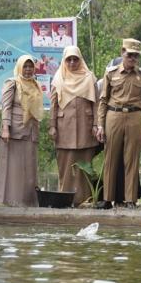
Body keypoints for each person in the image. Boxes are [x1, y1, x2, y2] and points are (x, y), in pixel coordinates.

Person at [96, 38, 141, 209]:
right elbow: (103, 101)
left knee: (132, 159)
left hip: (135, 117)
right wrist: (100, 125)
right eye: (129, 55)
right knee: (110, 158)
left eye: (136, 56)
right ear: (122, 52)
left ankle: (130, 200)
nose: (133, 59)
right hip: (114, 115)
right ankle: (107, 198)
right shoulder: (111, 73)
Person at [49, 46, 98, 206]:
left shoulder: (90, 78)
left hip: (86, 126)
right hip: (64, 127)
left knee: (85, 164)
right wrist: (52, 126)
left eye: (75, 59)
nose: (72, 62)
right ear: (64, 61)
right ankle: (65, 199)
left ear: (80, 59)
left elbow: (96, 104)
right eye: (68, 59)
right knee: (66, 163)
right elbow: (54, 105)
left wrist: (97, 124)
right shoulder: (58, 79)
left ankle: (85, 199)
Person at [0, 55, 42, 207]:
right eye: (25, 67)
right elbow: (6, 107)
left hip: (31, 130)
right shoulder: (12, 83)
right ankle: (9, 201)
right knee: (13, 167)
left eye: (30, 67)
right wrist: (5, 128)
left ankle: (27, 201)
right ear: (20, 67)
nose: (28, 70)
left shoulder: (35, 84)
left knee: (29, 167)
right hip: (14, 131)